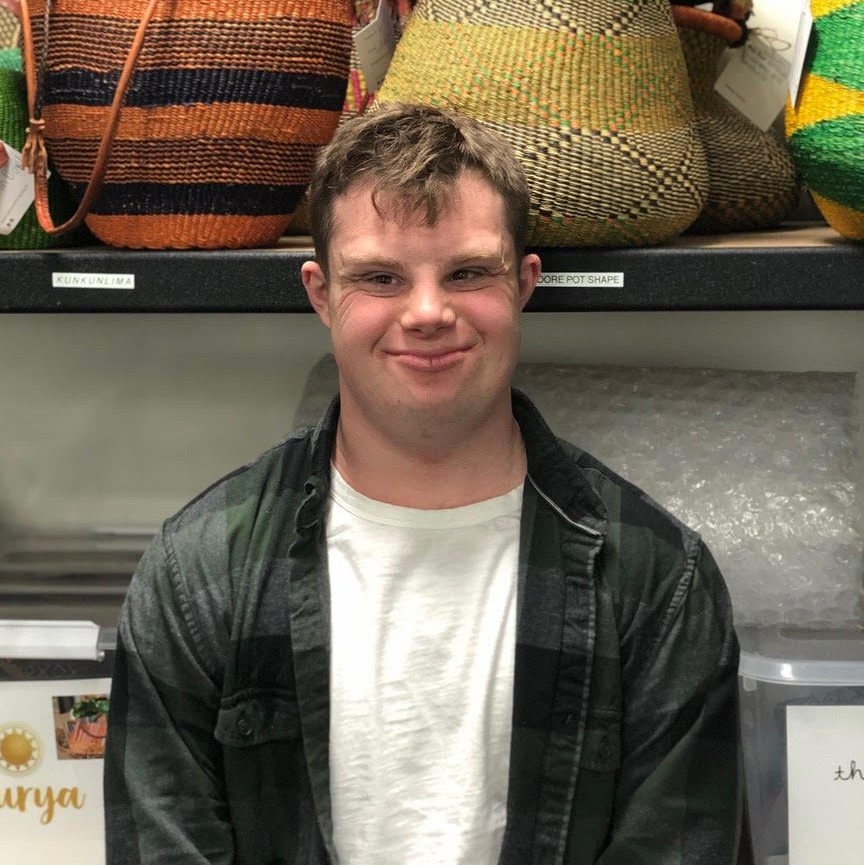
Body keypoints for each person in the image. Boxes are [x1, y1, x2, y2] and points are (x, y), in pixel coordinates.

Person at [104, 103, 742, 864]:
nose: (429, 311)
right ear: (320, 294)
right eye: (381, 277)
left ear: (524, 284)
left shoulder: (658, 581)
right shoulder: (197, 573)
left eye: (468, 273)